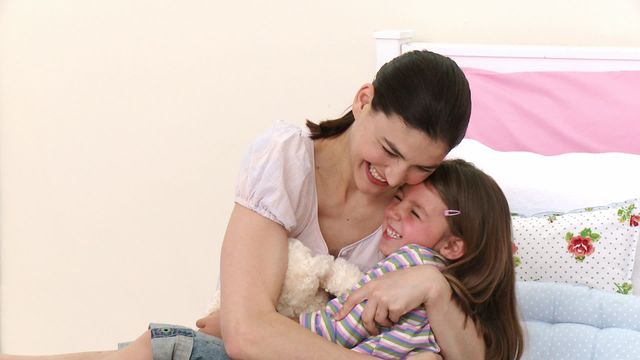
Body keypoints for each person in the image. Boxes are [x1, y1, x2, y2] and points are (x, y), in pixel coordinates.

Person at [1, 49, 479, 360]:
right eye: (390, 152)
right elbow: (247, 331)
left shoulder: (420, 215)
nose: (395, 178)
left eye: (422, 167)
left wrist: (435, 287)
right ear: (362, 100)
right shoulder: (287, 159)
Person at [198, 159, 524, 360]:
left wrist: (239, 326)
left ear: (453, 246)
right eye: (398, 198)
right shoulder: (464, 307)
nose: (394, 212)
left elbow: (337, 325)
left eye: (414, 212)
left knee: (163, 343)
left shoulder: (411, 261)